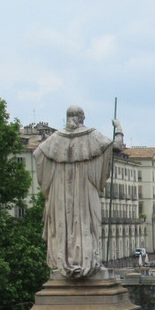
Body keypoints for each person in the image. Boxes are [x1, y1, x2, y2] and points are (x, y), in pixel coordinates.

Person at [33, 106, 124, 279]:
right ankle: (87, 261)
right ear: (82, 118)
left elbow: (38, 154)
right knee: (87, 224)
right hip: (86, 191)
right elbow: (117, 146)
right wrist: (118, 128)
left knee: (64, 226)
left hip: (61, 192)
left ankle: (66, 261)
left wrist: (52, 182)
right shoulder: (92, 136)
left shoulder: (55, 139)